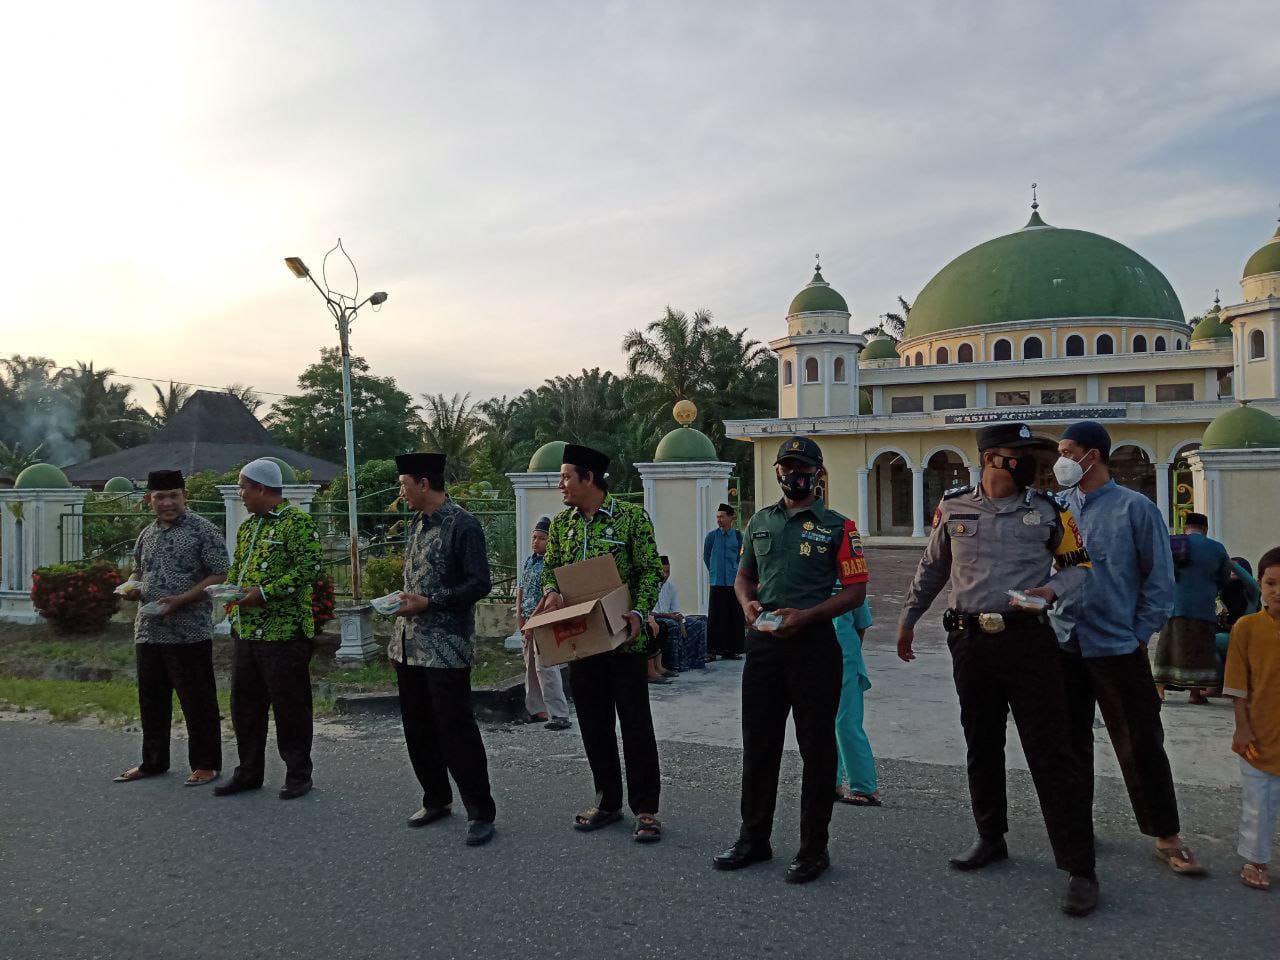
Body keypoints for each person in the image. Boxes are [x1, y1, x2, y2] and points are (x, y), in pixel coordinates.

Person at [896, 422, 1100, 916]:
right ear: (992, 458)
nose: (1030, 462)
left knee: (1051, 753)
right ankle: (991, 836)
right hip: (969, 641)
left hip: (1029, 642)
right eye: (1020, 453)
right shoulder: (955, 507)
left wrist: (1050, 592)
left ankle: (1079, 868)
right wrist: (907, 619)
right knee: (981, 743)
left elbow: (1079, 567)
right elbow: (933, 567)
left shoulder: (1049, 512)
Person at [1048, 421, 1203, 876]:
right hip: (1066, 642)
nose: (1061, 460)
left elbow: (1158, 581)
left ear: (1092, 456)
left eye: (1068, 450)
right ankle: (1079, 828)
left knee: (1140, 742)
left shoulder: (1135, 509)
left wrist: (1138, 633)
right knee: (1069, 743)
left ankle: (1166, 834)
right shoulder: (1057, 510)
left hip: (1117, 645)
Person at [714, 436, 869, 884]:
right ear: (777, 472)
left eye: (801, 467)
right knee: (759, 745)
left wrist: (808, 616)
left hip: (814, 646)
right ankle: (753, 839)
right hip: (763, 646)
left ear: (817, 475)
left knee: (817, 750)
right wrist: (746, 603)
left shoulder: (840, 527)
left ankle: (812, 849)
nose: (792, 474)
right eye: (786, 467)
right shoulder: (761, 521)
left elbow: (856, 591)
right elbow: (745, 576)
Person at [537, 443, 665, 842]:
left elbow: (649, 571)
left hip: (624, 640)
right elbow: (551, 572)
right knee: (594, 724)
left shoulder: (631, 518)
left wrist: (640, 613)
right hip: (581, 641)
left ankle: (646, 810)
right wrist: (552, 592)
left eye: (565, 477)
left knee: (636, 724)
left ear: (588, 478)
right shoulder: (562, 525)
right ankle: (607, 801)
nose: (561, 485)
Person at [389, 452, 497, 845]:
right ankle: (436, 798)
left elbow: (478, 583)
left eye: (404, 485)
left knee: (456, 730)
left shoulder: (462, 524)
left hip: (446, 648)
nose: (401, 493)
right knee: (417, 728)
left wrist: (430, 602)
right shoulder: (417, 523)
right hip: (408, 645)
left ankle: (481, 812)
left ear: (423, 483)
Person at [215, 458, 323, 800]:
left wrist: (263, 593)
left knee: (290, 706)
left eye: (244, 488)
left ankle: (298, 774)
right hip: (246, 631)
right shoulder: (248, 527)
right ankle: (248, 772)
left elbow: (308, 570)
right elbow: (239, 572)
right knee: (245, 706)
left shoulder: (297, 523)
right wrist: (229, 592)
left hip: (284, 633)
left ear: (262, 489)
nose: (241, 494)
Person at [113, 470, 229, 787]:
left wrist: (182, 599)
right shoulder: (146, 534)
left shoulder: (203, 531)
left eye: (173, 495)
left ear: (184, 496)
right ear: (149, 499)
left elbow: (220, 575)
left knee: (197, 700)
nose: (167, 503)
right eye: (160, 497)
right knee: (152, 699)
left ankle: (206, 764)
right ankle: (153, 762)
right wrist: (131, 588)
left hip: (188, 631)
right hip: (149, 630)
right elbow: (138, 570)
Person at [1223, 546, 1280, 891]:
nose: (1278, 591)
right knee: (1258, 803)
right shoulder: (1246, 627)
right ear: (1260, 585)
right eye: (1271, 583)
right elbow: (1236, 684)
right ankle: (1256, 859)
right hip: (1257, 733)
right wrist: (1242, 729)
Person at [1153, 512, 1234, 701]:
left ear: (1185, 528)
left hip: (1174, 605)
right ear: (1205, 529)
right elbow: (1224, 576)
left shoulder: (1171, 543)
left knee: (1167, 648)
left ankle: (1160, 689)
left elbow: (1158, 570)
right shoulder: (1217, 548)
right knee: (1200, 651)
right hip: (1203, 607)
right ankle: (1195, 693)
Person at [516, 516, 571, 730]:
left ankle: (559, 714)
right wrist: (519, 613)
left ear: (550, 541)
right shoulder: (530, 561)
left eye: (541, 538)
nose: (536, 542)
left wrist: (533, 620)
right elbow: (521, 588)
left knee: (546, 667)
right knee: (530, 667)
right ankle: (537, 709)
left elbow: (546, 595)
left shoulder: (550, 565)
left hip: (543, 620)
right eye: (534, 537)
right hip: (527, 619)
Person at [835, 599, 880, 807]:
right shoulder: (845, 581)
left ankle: (865, 788)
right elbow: (861, 625)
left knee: (846, 723)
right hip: (827, 656)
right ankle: (832, 782)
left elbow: (861, 625)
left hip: (843, 658)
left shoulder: (848, 581)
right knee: (829, 723)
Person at [703, 503, 744, 661]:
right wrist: (714, 571)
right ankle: (712, 651)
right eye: (717, 517)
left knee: (734, 615)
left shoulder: (738, 536)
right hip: (717, 581)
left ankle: (731, 650)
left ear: (730, 517)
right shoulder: (712, 536)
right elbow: (707, 557)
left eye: (722, 516)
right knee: (716, 617)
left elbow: (741, 556)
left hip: (733, 581)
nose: (719, 520)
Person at [647, 555, 681, 683]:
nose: (665, 575)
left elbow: (675, 609)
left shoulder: (670, 586)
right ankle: (650, 671)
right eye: (663, 571)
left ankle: (659, 666)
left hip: (658, 617)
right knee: (654, 627)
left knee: (696, 624)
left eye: (668, 571)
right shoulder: (650, 585)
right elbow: (648, 611)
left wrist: (678, 618)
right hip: (648, 618)